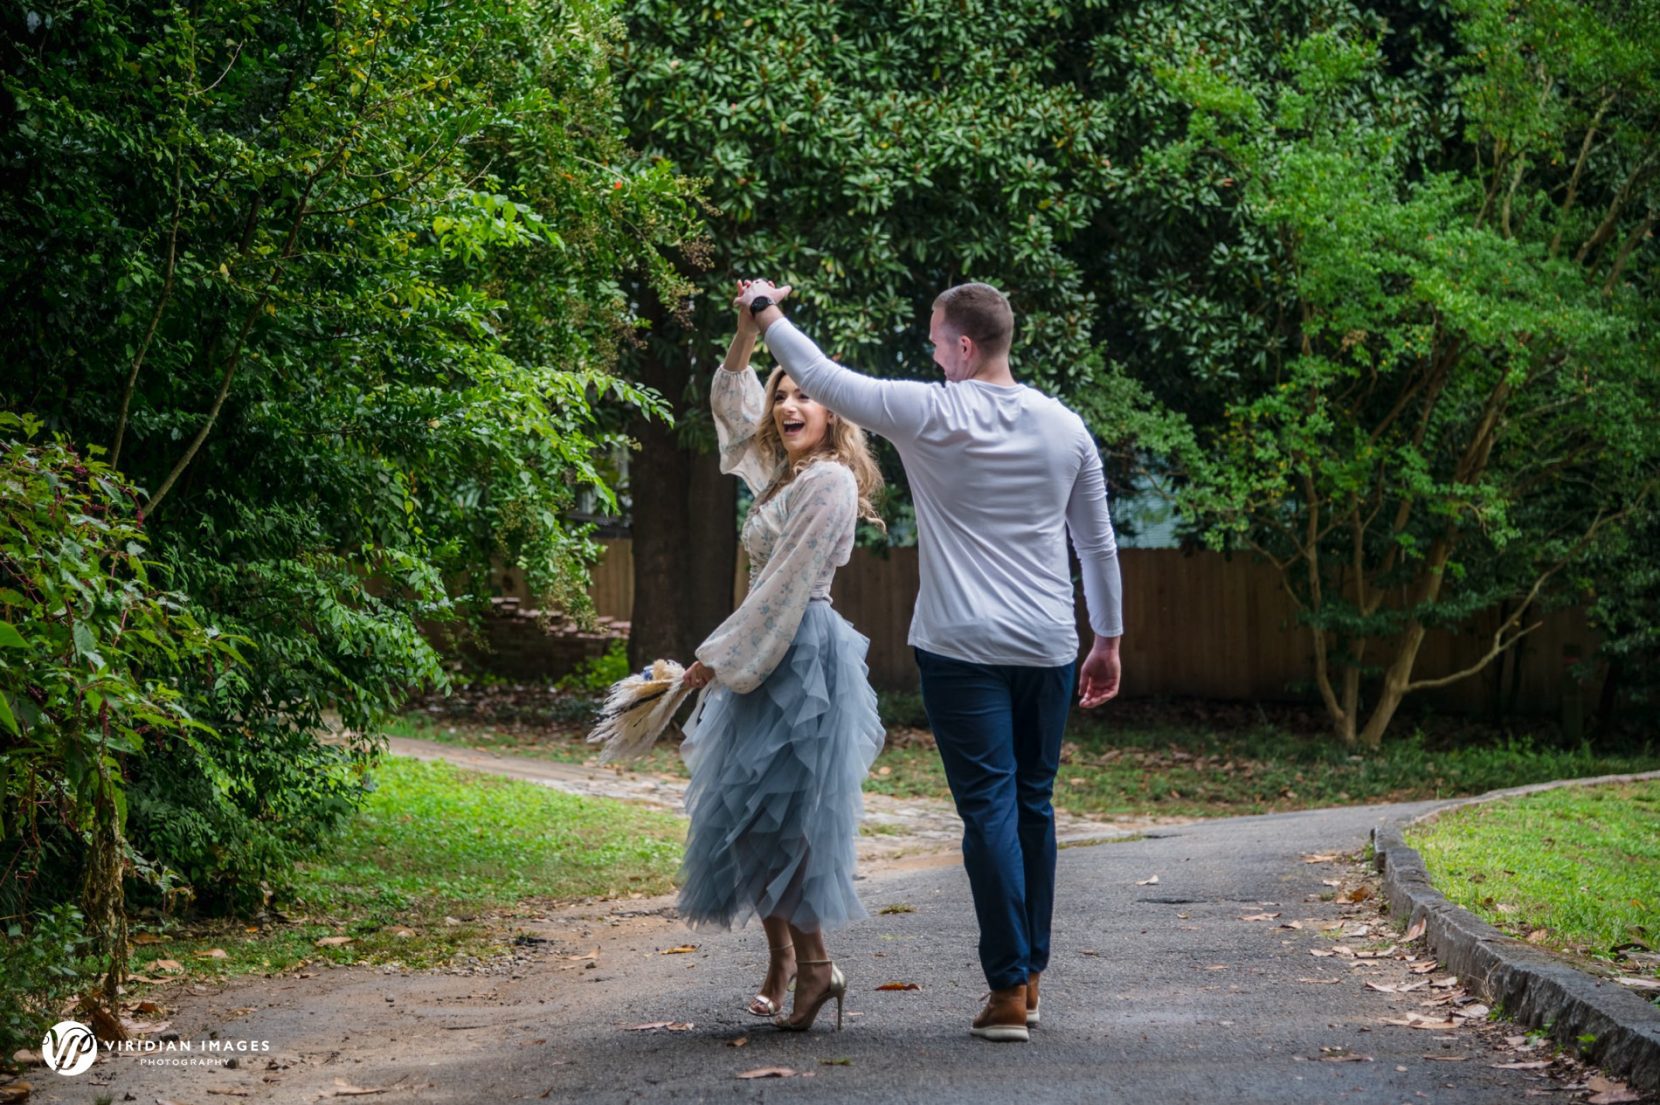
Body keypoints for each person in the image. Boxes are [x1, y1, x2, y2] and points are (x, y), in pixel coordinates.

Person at [735, 278, 1123, 1043]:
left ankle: (1008, 988)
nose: (931, 351)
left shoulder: (933, 412)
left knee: (988, 809)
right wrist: (1107, 638)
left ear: (965, 346)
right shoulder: (1065, 425)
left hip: (960, 646)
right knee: (1033, 804)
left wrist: (765, 312)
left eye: (937, 339)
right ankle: (1030, 976)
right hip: (1047, 644)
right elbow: (1097, 543)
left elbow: (822, 376)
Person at [673, 282, 887, 1033]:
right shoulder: (783, 475)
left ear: (833, 411)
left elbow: (787, 587)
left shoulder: (828, 481)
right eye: (783, 393)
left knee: (790, 821)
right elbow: (731, 400)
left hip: (799, 656)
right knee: (752, 821)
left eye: (806, 395)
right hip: (762, 651)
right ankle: (805, 965)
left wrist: (712, 659)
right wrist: (745, 327)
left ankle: (817, 965)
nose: (789, 405)